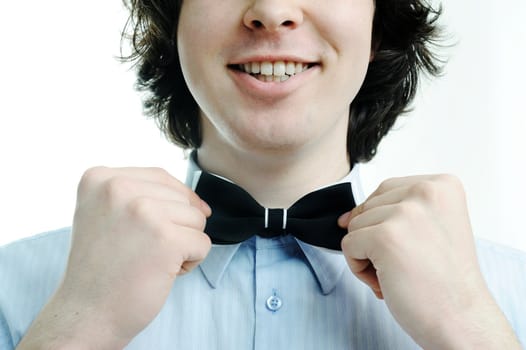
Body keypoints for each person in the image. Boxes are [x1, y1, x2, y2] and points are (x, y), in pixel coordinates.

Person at [1, 0, 525, 348]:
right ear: (172, 21)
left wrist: (469, 327)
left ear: (376, 26)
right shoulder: (12, 291)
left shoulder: (511, 298)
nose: (271, 12)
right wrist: (78, 325)